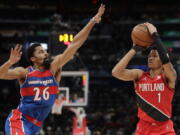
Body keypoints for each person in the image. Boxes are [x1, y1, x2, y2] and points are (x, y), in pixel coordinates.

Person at [1, 4, 105, 135]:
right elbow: (1, 74)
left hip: (35, 126)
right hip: (19, 120)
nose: (45, 54)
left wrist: (92, 21)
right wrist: (10, 62)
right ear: (33, 59)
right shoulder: (24, 72)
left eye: (45, 52)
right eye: (40, 52)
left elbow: (75, 44)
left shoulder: (54, 67)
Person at [112, 22, 177, 135]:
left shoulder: (168, 76)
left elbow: (166, 61)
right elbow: (116, 72)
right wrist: (134, 49)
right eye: (149, 56)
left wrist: (155, 35)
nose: (150, 58)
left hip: (164, 129)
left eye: (155, 56)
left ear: (162, 60)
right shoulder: (139, 75)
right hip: (143, 129)